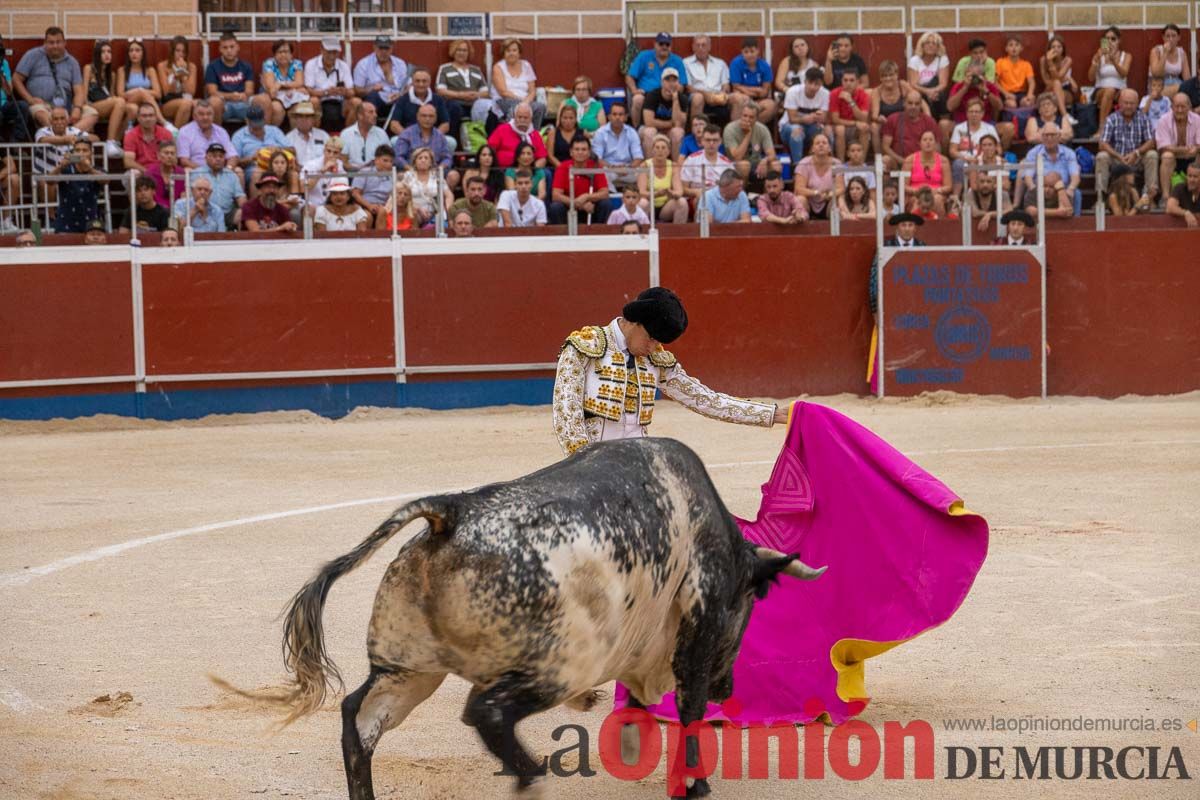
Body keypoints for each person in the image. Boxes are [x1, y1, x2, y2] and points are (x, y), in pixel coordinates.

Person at [552, 286, 786, 457]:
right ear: (635, 321)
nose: (653, 347)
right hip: (592, 467)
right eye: (652, 338)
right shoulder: (585, 347)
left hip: (639, 464)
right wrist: (586, 468)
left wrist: (772, 414)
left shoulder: (657, 360)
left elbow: (707, 400)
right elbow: (566, 417)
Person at [13, 27, 98, 134]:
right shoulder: (32, 55)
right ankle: (67, 137)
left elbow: (78, 90)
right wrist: (30, 100)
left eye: (58, 42)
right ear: (45, 43)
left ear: (65, 43)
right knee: (41, 115)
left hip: (67, 107)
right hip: (42, 105)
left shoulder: (72, 62)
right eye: (51, 42)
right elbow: (16, 79)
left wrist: (77, 108)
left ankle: (68, 135)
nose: (55, 46)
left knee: (92, 114)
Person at [1096, 88, 1158, 202]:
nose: (1129, 106)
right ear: (1119, 103)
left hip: (1137, 157)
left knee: (1152, 154)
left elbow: (1151, 142)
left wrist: (1136, 153)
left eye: (1132, 103)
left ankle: (1150, 196)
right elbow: (1102, 143)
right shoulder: (1111, 119)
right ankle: (1101, 197)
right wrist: (1117, 156)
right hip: (1117, 157)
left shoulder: (1144, 119)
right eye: (1126, 103)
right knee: (1102, 156)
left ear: (1137, 104)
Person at [625, 32, 688, 128]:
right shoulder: (644, 56)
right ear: (655, 44)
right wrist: (634, 90)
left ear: (671, 46)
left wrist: (674, 92)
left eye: (667, 44)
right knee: (637, 99)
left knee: (680, 100)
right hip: (646, 94)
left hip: (669, 95)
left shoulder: (677, 60)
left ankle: (677, 128)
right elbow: (629, 77)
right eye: (661, 44)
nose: (664, 47)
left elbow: (682, 84)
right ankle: (636, 130)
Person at [946, 62, 1013, 149]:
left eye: (976, 76)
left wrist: (986, 91)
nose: (973, 79)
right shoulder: (959, 86)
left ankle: (997, 156)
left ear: (983, 76)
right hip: (961, 124)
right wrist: (964, 88)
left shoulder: (989, 86)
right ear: (965, 76)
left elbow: (999, 107)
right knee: (944, 125)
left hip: (986, 124)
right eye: (970, 76)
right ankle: (948, 157)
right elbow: (950, 107)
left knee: (1009, 128)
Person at [1021, 122, 1079, 216]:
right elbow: (1028, 177)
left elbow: (1075, 176)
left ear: (1059, 136)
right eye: (1046, 135)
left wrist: (1070, 189)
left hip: (1062, 187)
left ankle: (1074, 223)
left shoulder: (1069, 153)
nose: (1049, 138)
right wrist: (1035, 190)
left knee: (1076, 193)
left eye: (1053, 135)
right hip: (1041, 188)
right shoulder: (1033, 153)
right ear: (1041, 137)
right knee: (1030, 193)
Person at [204, 32, 262, 125]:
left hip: (243, 104)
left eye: (232, 47)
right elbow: (212, 92)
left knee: (263, 100)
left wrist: (242, 95)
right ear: (220, 49)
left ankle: (258, 137)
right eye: (225, 47)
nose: (229, 50)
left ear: (237, 47)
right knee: (214, 102)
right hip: (223, 105)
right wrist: (231, 96)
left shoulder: (246, 66)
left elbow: (249, 91)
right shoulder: (213, 66)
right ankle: (217, 137)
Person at [549, 137, 610, 225]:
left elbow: (605, 193)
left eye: (584, 149)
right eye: (577, 149)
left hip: (591, 207)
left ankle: (600, 233)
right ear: (571, 152)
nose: (580, 152)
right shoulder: (563, 167)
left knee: (606, 204)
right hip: (570, 206)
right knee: (555, 207)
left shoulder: (596, 167)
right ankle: (562, 236)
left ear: (589, 152)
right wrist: (577, 203)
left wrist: (587, 197)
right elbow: (556, 195)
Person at [82, 40, 126, 159]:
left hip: (106, 105)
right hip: (92, 106)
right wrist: (85, 110)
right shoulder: (89, 69)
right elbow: (84, 94)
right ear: (97, 54)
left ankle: (116, 142)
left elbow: (111, 95)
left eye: (109, 52)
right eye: (103, 52)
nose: (107, 54)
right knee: (120, 101)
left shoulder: (111, 74)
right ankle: (110, 142)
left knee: (131, 108)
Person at [436, 39, 491, 134]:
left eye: (465, 50)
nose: (462, 53)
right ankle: (452, 139)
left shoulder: (476, 70)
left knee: (489, 107)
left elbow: (485, 92)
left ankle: (486, 141)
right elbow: (440, 90)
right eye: (459, 50)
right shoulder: (445, 68)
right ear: (453, 51)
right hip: (455, 103)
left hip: (475, 104)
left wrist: (476, 95)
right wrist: (460, 95)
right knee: (454, 107)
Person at [949, 97, 1000, 198]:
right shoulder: (959, 128)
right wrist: (966, 158)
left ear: (982, 113)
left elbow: (998, 149)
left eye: (977, 112)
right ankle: (956, 197)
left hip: (984, 161)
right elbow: (952, 150)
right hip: (965, 161)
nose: (974, 114)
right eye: (971, 111)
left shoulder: (989, 128)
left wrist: (983, 157)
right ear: (967, 113)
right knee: (958, 164)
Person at [305, 37, 359, 130]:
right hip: (320, 101)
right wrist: (326, 92)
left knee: (356, 102)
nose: (332, 56)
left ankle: (347, 135)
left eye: (335, 52)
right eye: (329, 52)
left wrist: (344, 92)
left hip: (340, 102)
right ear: (321, 50)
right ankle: (314, 135)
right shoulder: (311, 64)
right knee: (313, 101)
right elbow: (308, 90)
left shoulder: (343, 66)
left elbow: (352, 91)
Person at [1156, 93, 1200, 205]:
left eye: (1183, 106)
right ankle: (1165, 197)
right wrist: (1185, 150)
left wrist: (1196, 149)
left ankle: (1197, 196)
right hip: (1174, 157)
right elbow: (1163, 147)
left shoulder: (1197, 120)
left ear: (1189, 107)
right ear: (1172, 107)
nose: (1179, 110)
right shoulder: (1164, 120)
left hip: (1193, 157)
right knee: (1167, 156)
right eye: (1177, 106)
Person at [781, 67, 830, 165]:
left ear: (821, 84)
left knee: (827, 133)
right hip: (788, 127)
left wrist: (818, 118)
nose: (812, 87)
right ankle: (798, 167)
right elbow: (791, 119)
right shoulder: (792, 92)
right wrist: (804, 119)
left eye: (817, 84)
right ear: (805, 81)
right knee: (797, 131)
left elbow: (824, 118)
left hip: (812, 126)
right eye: (810, 83)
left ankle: (824, 165)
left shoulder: (825, 94)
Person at [491, 37, 545, 127]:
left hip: (525, 100)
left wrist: (526, 101)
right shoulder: (498, 67)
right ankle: (510, 135)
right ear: (504, 53)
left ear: (519, 52)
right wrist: (521, 102)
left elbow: (532, 91)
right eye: (508, 51)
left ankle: (533, 135)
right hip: (505, 101)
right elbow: (503, 92)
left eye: (514, 50)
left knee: (540, 107)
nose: (511, 53)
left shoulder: (526, 65)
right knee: (515, 109)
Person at [881, 90, 941, 171]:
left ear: (920, 105)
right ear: (904, 103)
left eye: (917, 104)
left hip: (922, 164)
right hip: (898, 162)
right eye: (910, 103)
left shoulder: (929, 122)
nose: (913, 106)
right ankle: (890, 183)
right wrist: (902, 161)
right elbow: (885, 147)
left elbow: (936, 148)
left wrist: (921, 162)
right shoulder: (893, 119)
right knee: (885, 160)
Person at [50, 139, 100, 233]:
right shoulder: (65, 170)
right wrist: (60, 166)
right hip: (65, 222)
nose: (81, 153)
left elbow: (106, 181)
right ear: (73, 152)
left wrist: (89, 168)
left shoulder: (97, 170)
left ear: (91, 153)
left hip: (90, 222)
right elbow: (49, 181)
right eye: (77, 150)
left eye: (85, 151)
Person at [591, 101, 643, 191]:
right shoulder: (600, 133)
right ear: (609, 117)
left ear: (626, 117)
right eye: (614, 114)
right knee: (601, 173)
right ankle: (612, 195)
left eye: (621, 114)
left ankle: (637, 197)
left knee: (643, 172)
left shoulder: (632, 132)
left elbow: (638, 157)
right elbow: (597, 158)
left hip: (627, 169)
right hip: (608, 169)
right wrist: (613, 168)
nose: (617, 117)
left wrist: (627, 168)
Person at [386, 66, 451, 139]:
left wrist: (433, 138)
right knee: (394, 141)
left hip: (432, 138)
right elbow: (394, 124)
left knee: (451, 142)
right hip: (409, 138)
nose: (421, 84)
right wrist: (410, 137)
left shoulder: (438, 99)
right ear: (412, 82)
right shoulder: (403, 100)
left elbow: (445, 124)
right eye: (417, 81)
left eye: (424, 81)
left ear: (429, 82)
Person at [194, 142, 247, 229]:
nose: (218, 159)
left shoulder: (231, 174)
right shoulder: (197, 173)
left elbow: (240, 196)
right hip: (206, 212)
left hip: (227, 213)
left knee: (242, 213)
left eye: (221, 156)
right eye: (214, 156)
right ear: (206, 157)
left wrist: (247, 209)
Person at [353, 36, 407, 121]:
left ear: (391, 48)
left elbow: (409, 85)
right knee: (372, 96)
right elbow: (357, 90)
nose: (384, 52)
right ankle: (369, 130)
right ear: (374, 47)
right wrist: (371, 88)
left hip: (398, 99)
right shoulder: (363, 64)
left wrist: (400, 94)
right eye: (380, 48)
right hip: (377, 100)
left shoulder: (400, 63)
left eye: (387, 48)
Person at [680, 123, 733, 209]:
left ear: (720, 142)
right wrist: (696, 192)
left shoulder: (727, 163)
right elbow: (683, 189)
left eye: (715, 140)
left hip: (720, 200)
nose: (711, 143)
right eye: (708, 140)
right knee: (702, 199)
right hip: (696, 199)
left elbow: (731, 189)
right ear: (702, 141)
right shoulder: (691, 160)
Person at [640, 67, 689, 158]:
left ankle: (676, 167)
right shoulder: (652, 95)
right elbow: (649, 122)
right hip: (652, 128)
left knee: (677, 132)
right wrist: (671, 123)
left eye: (674, 80)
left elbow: (680, 123)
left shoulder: (682, 98)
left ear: (678, 83)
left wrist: (675, 100)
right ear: (662, 82)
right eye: (667, 80)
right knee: (649, 132)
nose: (671, 84)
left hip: (669, 130)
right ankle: (650, 167)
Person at [638, 134, 688, 223]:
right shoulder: (644, 165)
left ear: (668, 152)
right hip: (649, 204)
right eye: (657, 147)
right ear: (652, 151)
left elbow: (679, 191)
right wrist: (657, 194)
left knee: (682, 202)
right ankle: (644, 234)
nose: (660, 151)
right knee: (642, 203)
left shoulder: (673, 166)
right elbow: (642, 192)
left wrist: (672, 193)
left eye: (663, 148)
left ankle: (678, 234)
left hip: (666, 206)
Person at [683, 35, 732, 126]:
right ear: (693, 47)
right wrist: (706, 94)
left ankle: (733, 134)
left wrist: (722, 94)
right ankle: (696, 134)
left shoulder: (720, 63)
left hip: (718, 95)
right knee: (698, 98)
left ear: (709, 47)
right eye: (698, 45)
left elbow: (726, 85)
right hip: (698, 95)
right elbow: (689, 88)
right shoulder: (686, 63)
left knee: (739, 98)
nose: (701, 48)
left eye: (704, 45)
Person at [232, 104, 288, 183]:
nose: (257, 128)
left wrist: (279, 149)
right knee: (257, 172)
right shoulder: (239, 136)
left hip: (277, 166)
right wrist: (252, 158)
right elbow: (235, 161)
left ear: (264, 120)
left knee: (290, 172)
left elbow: (292, 149)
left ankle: (294, 195)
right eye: (254, 125)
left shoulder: (274, 130)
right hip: (253, 169)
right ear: (247, 121)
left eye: (260, 124)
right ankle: (255, 196)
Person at [118, 38, 165, 130]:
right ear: (128, 54)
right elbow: (120, 94)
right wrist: (138, 91)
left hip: (146, 103)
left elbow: (158, 94)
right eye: (131, 51)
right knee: (140, 95)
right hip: (130, 101)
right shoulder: (122, 71)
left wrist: (141, 91)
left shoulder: (150, 70)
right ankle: (164, 123)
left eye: (137, 50)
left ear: (143, 53)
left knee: (134, 108)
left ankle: (121, 137)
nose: (134, 53)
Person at [723, 102, 779, 180]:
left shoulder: (762, 129)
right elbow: (737, 157)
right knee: (745, 165)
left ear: (756, 118)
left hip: (756, 163)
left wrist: (765, 160)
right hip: (735, 165)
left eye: (751, 117)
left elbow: (772, 154)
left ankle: (769, 191)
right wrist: (748, 134)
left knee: (776, 165)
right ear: (740, 115)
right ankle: (741, 192)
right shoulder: (730, 129)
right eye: (745, 116)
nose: (747, 119)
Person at [1088, 26, 1131, 124]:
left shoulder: (1126, 56)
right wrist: (1096, 60)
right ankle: (1102, 127)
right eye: (1107, 39)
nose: (1110, 41)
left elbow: (1124, 74)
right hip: (1101, 90)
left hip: (1120, 91)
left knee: (1117, 92)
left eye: (1113, 39)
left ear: (1119, 41)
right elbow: (1090, 78)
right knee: (1110, 91)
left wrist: (1114, 62)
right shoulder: (1099, 55)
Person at [260, 39, 308, 126]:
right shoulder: (269, 64)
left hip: (293, 97)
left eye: (286, 52)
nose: (283, 55)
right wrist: (292, 87)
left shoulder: (297, 64)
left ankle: (294, 137)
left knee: (298, 109)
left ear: (291, 54)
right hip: (274, 97)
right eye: (279, 52)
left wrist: (281, 84)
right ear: (274, 54)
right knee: (276, 108)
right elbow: (271, 86)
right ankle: (273, 135)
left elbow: (299, 82)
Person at [729, 37, 776, 124]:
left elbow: (764, 92)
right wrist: (756, 90)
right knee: (738, 98)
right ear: (742, 53)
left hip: (758, 100)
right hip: (742, 98)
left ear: (757, 51)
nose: (749, 55)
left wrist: (747, 90)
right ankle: (736, 130)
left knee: (771, 105)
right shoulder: (736, 63)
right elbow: (735, 86)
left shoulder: (765, 66)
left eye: (752, 51)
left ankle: (751, 128)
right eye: (746, 52)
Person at [904, 130, 952, 215]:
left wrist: (937, 190)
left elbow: (948, 186)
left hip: (936, 193)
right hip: (915, 194)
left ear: (935, 143)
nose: (928, 142)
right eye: (925, 140)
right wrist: (915, 191)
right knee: (917, 201)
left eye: (931, 139)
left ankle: (938, 225)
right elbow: (903, 185)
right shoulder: (910, 160)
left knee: (937, 200)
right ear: (919, 143)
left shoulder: (944, 161)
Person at [487, 102, 548, 168]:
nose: (522, 120)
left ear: (531, 119)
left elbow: (542, 158)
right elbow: (489, 149)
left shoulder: (535, 134)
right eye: (519, 117)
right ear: (514, 117)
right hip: (503, 170)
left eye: (525, 118)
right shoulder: (502, 129)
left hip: (529, 172)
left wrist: (530, 170)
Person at [402, 146, 454, 226]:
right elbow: (401, 195)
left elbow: (449, 195)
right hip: (414, 211)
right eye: (420, 158)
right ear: (415, 162)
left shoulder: (437, 176)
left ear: (431, 162)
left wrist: (445, 209)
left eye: (426, 158)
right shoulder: (408, 176)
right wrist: (418, 208)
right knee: (415, 215)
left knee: (445, 221)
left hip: (435, 213)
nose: (423, 160)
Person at [176, 99, 234, 169]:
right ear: (194, 116)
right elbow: (184, 161)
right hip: (197, 171)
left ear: (213, 116)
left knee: (238, 171)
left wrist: (228, 169)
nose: (205, 117)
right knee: (187, 170)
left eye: (209, 114)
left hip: (220, 172)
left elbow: (232, 156)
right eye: (201, 114)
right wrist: (207, 171)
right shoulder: (185, 131)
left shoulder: (221, 132)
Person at [793, 132, 839, 219]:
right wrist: (816, 193)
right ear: (812, 149)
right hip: (809, 203)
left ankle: (838, 230)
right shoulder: (804, 163)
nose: (821, 145)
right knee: (799, 199)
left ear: (829, 148)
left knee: (839, 200)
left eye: (824, 143)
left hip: (828, 201)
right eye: (817, 143)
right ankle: (801, 226)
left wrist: (830, 194)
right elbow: (798, 189)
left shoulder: (836, 163)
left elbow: (841, 188)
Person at [908, 31, 950, 124]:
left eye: (934, 43)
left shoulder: (942, 59)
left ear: (938, 47)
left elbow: (943, 83)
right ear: (922, 46)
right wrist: (927, 92)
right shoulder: (915, 60)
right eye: (927, 43)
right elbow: (913, 83)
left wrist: (933, 91)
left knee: (941, 94)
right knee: (917, 96)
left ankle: (944, 121)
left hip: (936, 91)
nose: (930, 45)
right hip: (921, 90)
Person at [156, 35, 197, 129]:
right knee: (186, 104)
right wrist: (176, 76)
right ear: (172, 51)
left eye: (183, 51)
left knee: (203, 105)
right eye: (177, 51)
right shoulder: (162, 66)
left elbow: (191, 91)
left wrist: (182, 76)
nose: (181, 54)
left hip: (188, 99)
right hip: (169, 101)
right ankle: (175, 138)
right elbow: (166, 91)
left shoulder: (191, 67)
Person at [869, 60, 908, 157]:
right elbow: (874, 115)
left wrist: (928, 116)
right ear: (880, 78)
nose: (888, 78)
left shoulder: (902, 85)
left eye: (891, 75)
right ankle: (879, 159)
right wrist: (879, 118)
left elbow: (919, 99)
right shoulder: (876, 91)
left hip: (903, 121)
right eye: (884, 76)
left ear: (897, 75)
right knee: (874, 127)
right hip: (886, 123)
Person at [829, 68, 870, 160]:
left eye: (852, 80)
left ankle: (861, 162)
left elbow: (863, 118)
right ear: (841, 81)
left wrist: (851, 101)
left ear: (857, 82)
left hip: (855, 128)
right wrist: (855, 123)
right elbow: (835, 119)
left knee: (865, 127)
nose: (848, 83)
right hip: (839, 126)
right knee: (840, 129)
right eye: (845, 80)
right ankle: (841, 163)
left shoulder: (863, 95)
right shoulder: (835, 93)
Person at [351, 144, 396, 226]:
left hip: (384, 207)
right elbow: (355, 193)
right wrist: (369, 206)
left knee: (383, 212)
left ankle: (382, 238)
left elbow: (393, 197)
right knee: (367, 216)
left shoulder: (393, 176)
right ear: (376, 160)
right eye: (385, 160)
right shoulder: (364, 172)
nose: (389, 164)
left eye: (391, 161)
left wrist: (386, 207)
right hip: (363, 205)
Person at [121, 102, 171, 173]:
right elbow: (128, 162)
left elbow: (172, 159)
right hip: (140, 170)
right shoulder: (130, 135)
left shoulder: (166, 133)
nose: (148, 119)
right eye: (144, 116)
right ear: (138, 118)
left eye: (151, 115)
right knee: (134, 173)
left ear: (156, 117)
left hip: (161, 170)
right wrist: (147, 172)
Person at [340, 101, 390, 171]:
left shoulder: (382, 134)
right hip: (352, 174)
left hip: (376, 174)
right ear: (360, 115)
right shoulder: (346, 134)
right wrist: (358, 170)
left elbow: (388, 158)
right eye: (371, 112)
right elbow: (343, 162)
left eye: (375, 112)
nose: (375, 115)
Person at [0, 33, 31, 143]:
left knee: (23, 106)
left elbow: (9, 92)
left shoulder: (3, 63)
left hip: (3, 104)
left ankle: (16, 142)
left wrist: (1, 73)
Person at [1040, 36, 1079, 121]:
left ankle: (1064, 116)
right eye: (1053, 47)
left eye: (1059, 47)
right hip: (1049, 89)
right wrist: (1049, 61)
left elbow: (1058, 77)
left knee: (1057, 83)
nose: (1056, 49)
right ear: (1049, 49)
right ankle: (1065, 116)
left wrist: (1050, 62)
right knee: (1056, 83)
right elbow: (1046, 81)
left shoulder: (1067, 60)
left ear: (1063, 49)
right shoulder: (1043, 60)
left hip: (1065, 90)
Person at [1149, 24, 1191, 98]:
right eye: (1167, 36)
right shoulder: (1156, 51)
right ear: (1163, 38)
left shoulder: (1181, 52)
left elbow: (1187, 78)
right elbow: (1156, 74)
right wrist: (1165, 53)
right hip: (1159, 84)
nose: (1170, 39)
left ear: (1178, 37)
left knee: (1186, 90)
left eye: (1174, 36)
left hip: (1177, 83)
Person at [996, 34, 1036, 109]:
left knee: (1028, 102)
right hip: (1007, 93)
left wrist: (1029, 94)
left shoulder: (1026, 64)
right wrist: (1006, 94)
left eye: (1017, 45)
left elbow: (1031, 82)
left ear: (1021, 48)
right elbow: (994, 82)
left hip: (1021, 93)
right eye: (1011, 45)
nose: (1014, 48)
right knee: (1012, 104)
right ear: (1006, 48)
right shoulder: (1000, 62)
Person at [285, 101, 329, 167]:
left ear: (313, 119)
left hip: (321, 173)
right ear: (296, 119)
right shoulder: (288, 138)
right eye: (300, 116)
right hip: (298, 174)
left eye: (308, 116)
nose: (304, 119)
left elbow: (332, 156)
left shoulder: (323, 136)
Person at [546, 103, 588, 170]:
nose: (568, 121)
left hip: (578, 168)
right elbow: (550, 156)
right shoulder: (553, 133)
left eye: (571, 118)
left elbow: (587, 153)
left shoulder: (583, 133)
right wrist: (563, 168)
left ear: (575, 119)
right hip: (558, 168)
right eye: (565, 118)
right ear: (560, 118)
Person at [146, 139, 186, 209]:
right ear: (158, 155)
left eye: (172, 153)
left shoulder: (181, 173)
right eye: (166, 153)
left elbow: (183, 197)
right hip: (155, 210)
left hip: (177, 211)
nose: (169, 156)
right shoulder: (150, 173)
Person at [1165, 160, 1200, 227]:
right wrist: (1186, 213)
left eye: (1195, 177)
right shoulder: (1180, 188)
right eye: (1189, 176)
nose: (1191, 180)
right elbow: (1170, 207)